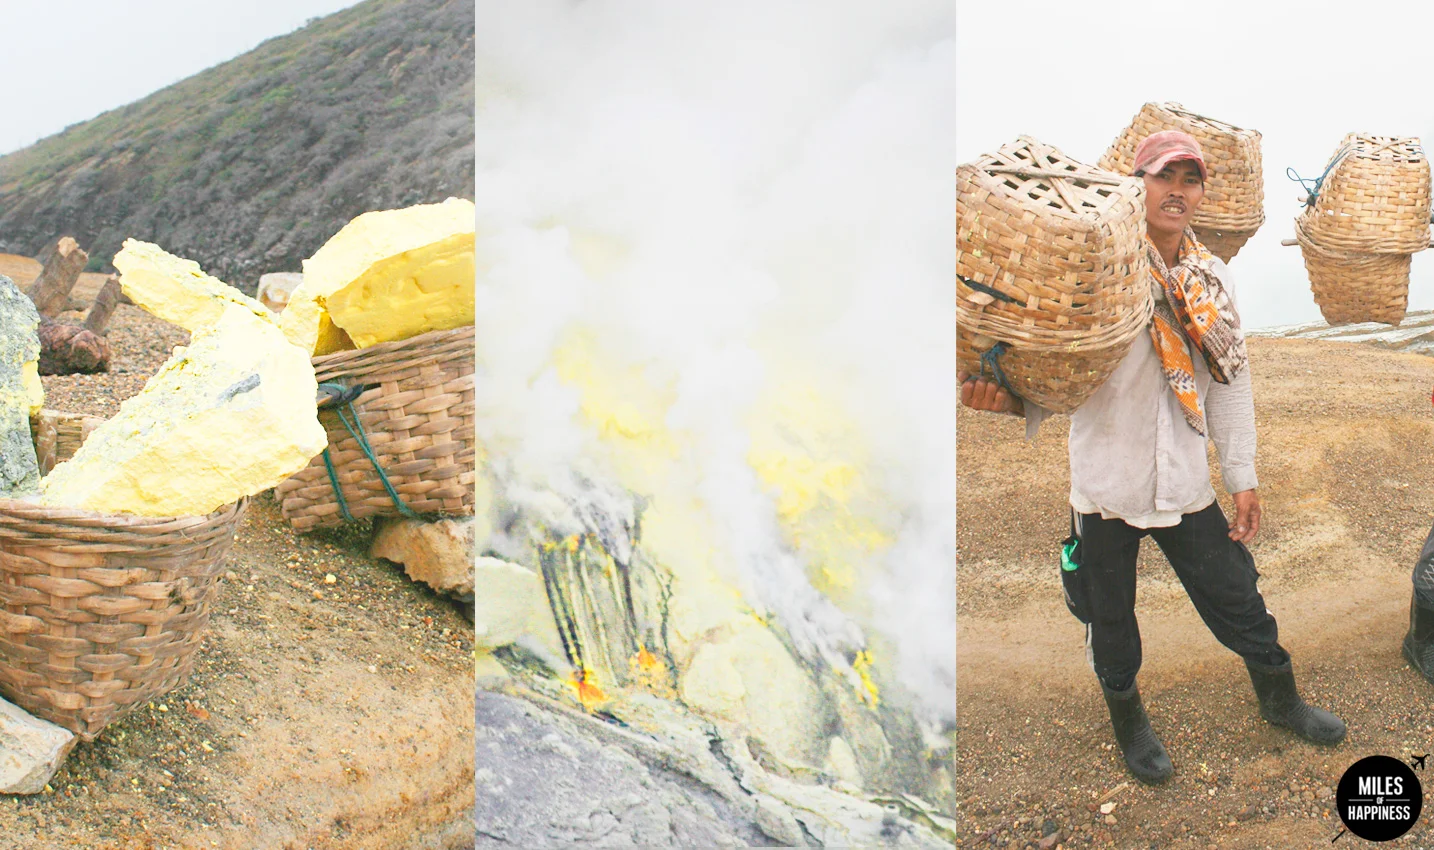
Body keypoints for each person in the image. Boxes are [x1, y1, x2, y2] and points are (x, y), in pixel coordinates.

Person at [959, 130, 1346, 785]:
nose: (1177, 189)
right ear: (1134, 186)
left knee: (1240, 599)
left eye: (1190, 178)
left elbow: (1232, 377)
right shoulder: (1095, 274)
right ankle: (1128, 721)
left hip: (1186, 485)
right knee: (1110, 619)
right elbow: (1060, 371)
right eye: (1163, 175)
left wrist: (1242, 475)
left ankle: (1282, 701)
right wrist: (1014, 401)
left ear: (1201, 193)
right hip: (1105, 489)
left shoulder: (1211, 278)